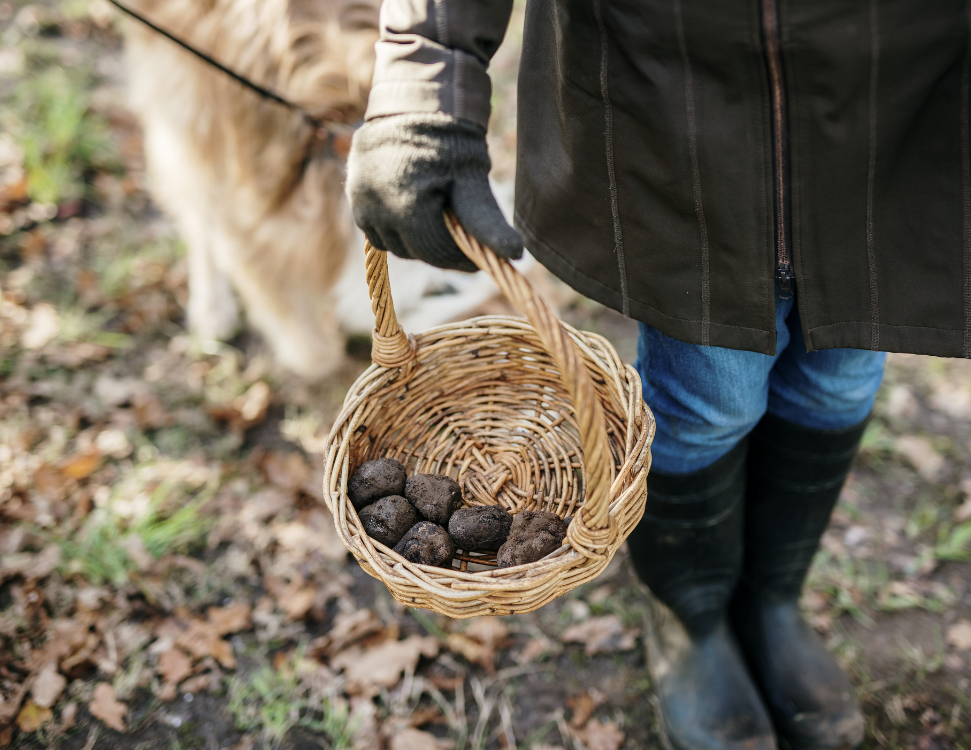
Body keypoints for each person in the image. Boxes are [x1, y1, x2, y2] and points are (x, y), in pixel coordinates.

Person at [345, 2, 970, 748]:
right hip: (672, 101)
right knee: (711, 396)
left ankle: (772, 600)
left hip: (894, 102)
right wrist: (430, 66)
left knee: (841, 374)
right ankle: (691, 615)